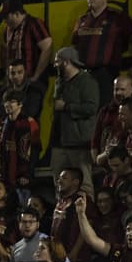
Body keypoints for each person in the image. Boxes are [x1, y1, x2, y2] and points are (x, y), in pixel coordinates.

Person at [52, 47, 101, 192]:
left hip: (79, 142)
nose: (55, 65)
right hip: (59, 142)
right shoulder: (59, 82)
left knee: (83, 184)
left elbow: (91, 108)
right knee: (59, 185)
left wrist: (67, 107)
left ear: (66, 62)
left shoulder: (86, 81)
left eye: (57, 62)